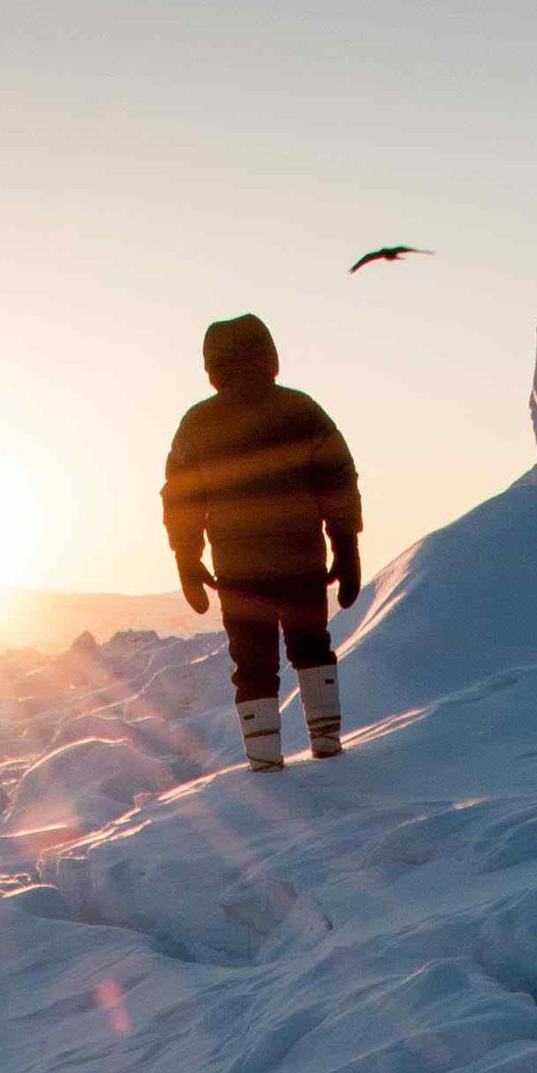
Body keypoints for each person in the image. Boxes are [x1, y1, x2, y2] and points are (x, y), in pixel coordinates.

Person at [162, 317, 362, 771]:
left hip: (240, 573)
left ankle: (265, 762)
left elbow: (181, 498)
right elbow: (337, 477)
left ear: (212, 368)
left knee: (252, 666)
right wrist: (345, 543)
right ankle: (328, 747)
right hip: (302, 563)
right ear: (269, 356)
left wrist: (187, 559)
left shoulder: (198, 423)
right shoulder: (301, 411)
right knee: (312, 648)